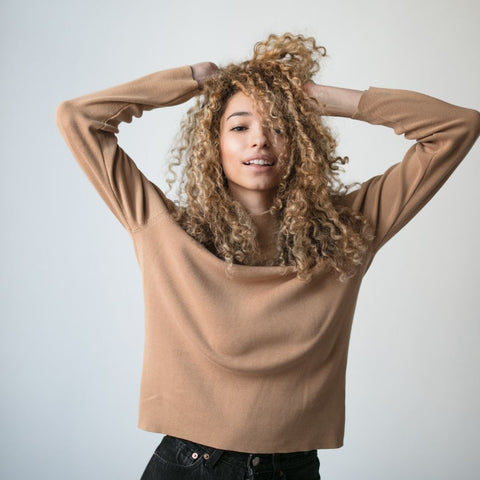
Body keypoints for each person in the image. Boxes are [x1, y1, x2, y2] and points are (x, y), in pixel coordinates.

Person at [55, 33, 480, 480]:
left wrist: (323, 98)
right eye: (239, 127)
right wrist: (192, 81)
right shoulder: (162, 229)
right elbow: (78, 118)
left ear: (302, 142)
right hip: (188, 465)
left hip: (292, 469)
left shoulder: (349, 231)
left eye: (279, 125)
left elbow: (456, 127)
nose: (260, 140)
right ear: (212, 143)